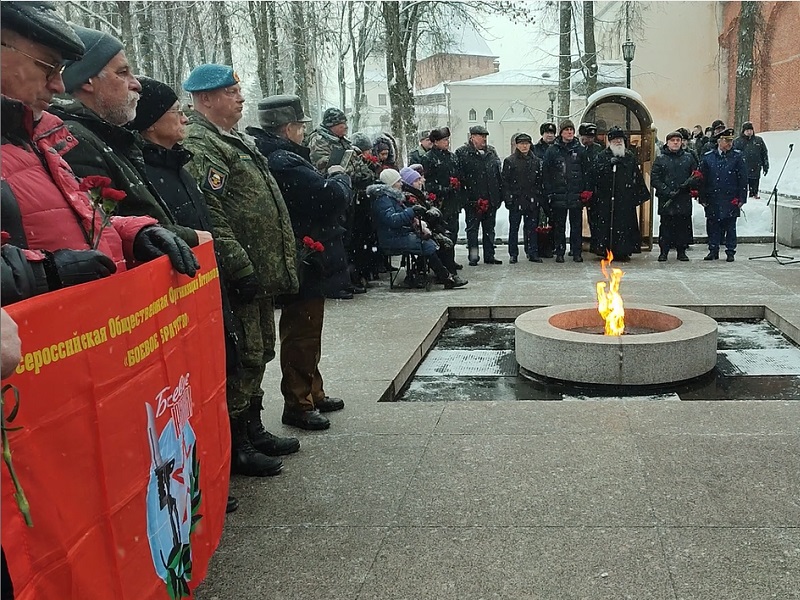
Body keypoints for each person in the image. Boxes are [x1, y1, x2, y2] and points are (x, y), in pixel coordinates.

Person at [1, 1, 198, 307]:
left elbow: (76, 225)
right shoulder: (57, 138)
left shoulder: (39, 141)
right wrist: (44, 273)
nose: (59, 84)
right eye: (47, 66)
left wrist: (135, 235)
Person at [181, 64, 299, 476]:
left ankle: (253, 426)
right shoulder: (201, 143)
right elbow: (210, 212)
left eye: (237, 89)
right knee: (244, 355)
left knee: (261, 349)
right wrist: (238, 265)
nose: (240, 96)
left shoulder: (232, 139)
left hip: (260, 270)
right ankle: (236, 442)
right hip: (240, 272)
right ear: (206, 98)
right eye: (230, 91)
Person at [248, 94, 352, 430]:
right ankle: (298, 402)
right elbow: (327, 197)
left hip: (306, 254)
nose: (303, 133)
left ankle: (312, 392)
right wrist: (340, 178)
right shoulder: (283, 160)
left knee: (309, 330)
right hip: (302, 256)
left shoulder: (280, 156)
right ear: (288, 127)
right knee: (301, 333)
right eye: (299, 126)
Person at [48, 25, 201, 246]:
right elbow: (106, 233)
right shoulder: (76, 140)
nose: (136, 84)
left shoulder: (110, 138)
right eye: (122, 73)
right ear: (86, 81)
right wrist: (190, 238)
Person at [307, 108, 375, 299]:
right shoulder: (319, 141)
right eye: (340, 124)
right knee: (334, 242)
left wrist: (363, 173)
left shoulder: (344, 142)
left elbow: (357, 165)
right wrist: (346, 174)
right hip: (331, 195)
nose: (345, 127)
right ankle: (335, 284)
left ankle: (347, 280)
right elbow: (323, 166)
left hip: (349, 195)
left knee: (349, 240)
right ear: (331, 125)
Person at [370, 169, 466, 289]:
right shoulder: (383, 199)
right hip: (392, 237)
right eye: (398, 181)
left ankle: (442, 275)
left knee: (431, 241)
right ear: (391, 183)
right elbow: (392, 220)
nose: (401, 184)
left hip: (398, 234)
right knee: (426, 244)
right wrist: (411, 211)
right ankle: (445, 277)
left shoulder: (390, 197)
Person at [586, 126, 650, 261]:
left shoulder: (629, 156)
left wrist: (639, 193)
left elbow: (636, 176)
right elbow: (595, 174)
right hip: (606, 199)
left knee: (624, 226)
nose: (618, 142)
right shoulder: (602, 156)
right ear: (610, 142)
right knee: (606, 225)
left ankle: (623, 250)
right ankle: (606, 250)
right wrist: (608, 165)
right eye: (615, 140)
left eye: (620, 140)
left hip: (624, 199)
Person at [456, 125, 504, 266]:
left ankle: (489, 255)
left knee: (489, 229)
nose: (484, 139)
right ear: (472, 137)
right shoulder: (463, 153)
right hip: (473, 200)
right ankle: (473, 256)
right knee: (472, 230)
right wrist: (467, 198)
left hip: (491, 198)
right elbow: (461, 178)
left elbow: (497, 175)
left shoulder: (491, 152)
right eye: (480, 136)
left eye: (485, 136)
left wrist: (498, 195)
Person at [699, 127, 748, 262]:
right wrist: (702, 197)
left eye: (731, 141)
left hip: (731, 198)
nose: (729, 143)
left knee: (730, 226)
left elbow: (743, 179)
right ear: (719, 141)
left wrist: (741, 197)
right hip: (712, 197)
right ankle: (713, 250)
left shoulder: (737, 157)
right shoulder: (709, 157)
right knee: (713, 225)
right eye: (726, 140)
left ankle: (730, 251)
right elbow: (702, 179)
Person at [542, 120, 587, 263]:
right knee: (559, 226)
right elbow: (546, 173)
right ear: (561, 133)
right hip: (558, 194)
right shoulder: (553, 150)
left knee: (576, 225)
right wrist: (549, 191)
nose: (569, 132)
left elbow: (586, 172)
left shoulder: (580, 150)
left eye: (571, 130)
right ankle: (559, 251)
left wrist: (585, 190)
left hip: (575, 194)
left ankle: (576, 251)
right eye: (566, 130)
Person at [650, 131, 700, 262]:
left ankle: (681, 251)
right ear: (667, 142)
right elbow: (655, 179)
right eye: (673, 140)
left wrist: (691, 187)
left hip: (683, 198)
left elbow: (696, 175)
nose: (676, 143)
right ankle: (664, 251)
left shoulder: (688, 158)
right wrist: (667, 191)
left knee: (683, 226)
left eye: (678, 140)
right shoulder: (661, 159)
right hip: (667, 199)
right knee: (666, 226)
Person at [502, 132, 544, 263]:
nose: (524, 146)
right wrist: (508, 198)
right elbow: (505, 182)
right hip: (516, 200)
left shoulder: (536, 161)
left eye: (527, 143)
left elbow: (539, 181)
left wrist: (537, 197)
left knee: (531, 228)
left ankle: (532, 252)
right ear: (517, 145)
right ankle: (513, 254)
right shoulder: (510, 161)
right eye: (521, 144)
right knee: (514, 228)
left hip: (531, 200)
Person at [420, 127, 463, 249]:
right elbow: (427, 182)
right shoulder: (428, 158)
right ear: (435, 142)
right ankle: (442, 260)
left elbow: (458, 175)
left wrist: (456, 185)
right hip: (439, 202)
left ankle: (450, 259)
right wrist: (443, 189)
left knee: (453, 230)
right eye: (444, 140)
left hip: (452, 201)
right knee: (441, 231)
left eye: (447, 139)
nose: (447, 142)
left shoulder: (452, 157)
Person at [733, 121, 769, 199]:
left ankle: (754, 197)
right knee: (742, 189)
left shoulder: (758, 141)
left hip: (755, 169)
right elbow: (733, 156)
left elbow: (764, 153)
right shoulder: (738, 142)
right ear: (743, 131)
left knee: (754, 189)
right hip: (742, 170)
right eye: (747, 130)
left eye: (750, 130)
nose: (749, 132)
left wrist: (765, 165)